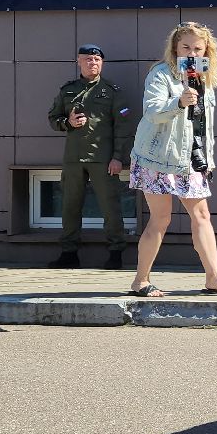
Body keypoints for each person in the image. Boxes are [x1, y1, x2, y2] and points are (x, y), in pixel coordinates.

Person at [128, 22, 217, 298]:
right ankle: (141, 281)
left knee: (202, 215)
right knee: (160, 219)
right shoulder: (161, 74)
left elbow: (205, 124)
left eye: (198, 48)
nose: (191, 52)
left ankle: (214, 278)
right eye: (186, 46)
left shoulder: (204, 76)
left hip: (191, 160)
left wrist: (208, 159)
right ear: (175, 47)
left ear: (206, 51)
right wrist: (178, 102)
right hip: (157, 158)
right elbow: (151, 112)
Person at [47, 44, 133, 271]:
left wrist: (117, 158)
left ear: (101, 63)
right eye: (87, 59)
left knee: (110, 207)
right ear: (78, 61)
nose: (92, 63)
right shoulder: (68, 90)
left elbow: (123, 127)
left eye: (96, 60)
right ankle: (69, 253)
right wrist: (68, 123)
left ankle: (116, 253)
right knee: (70, 206)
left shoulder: (112, 91)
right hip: (74, 159)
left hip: (103, 159)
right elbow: (53, 118)